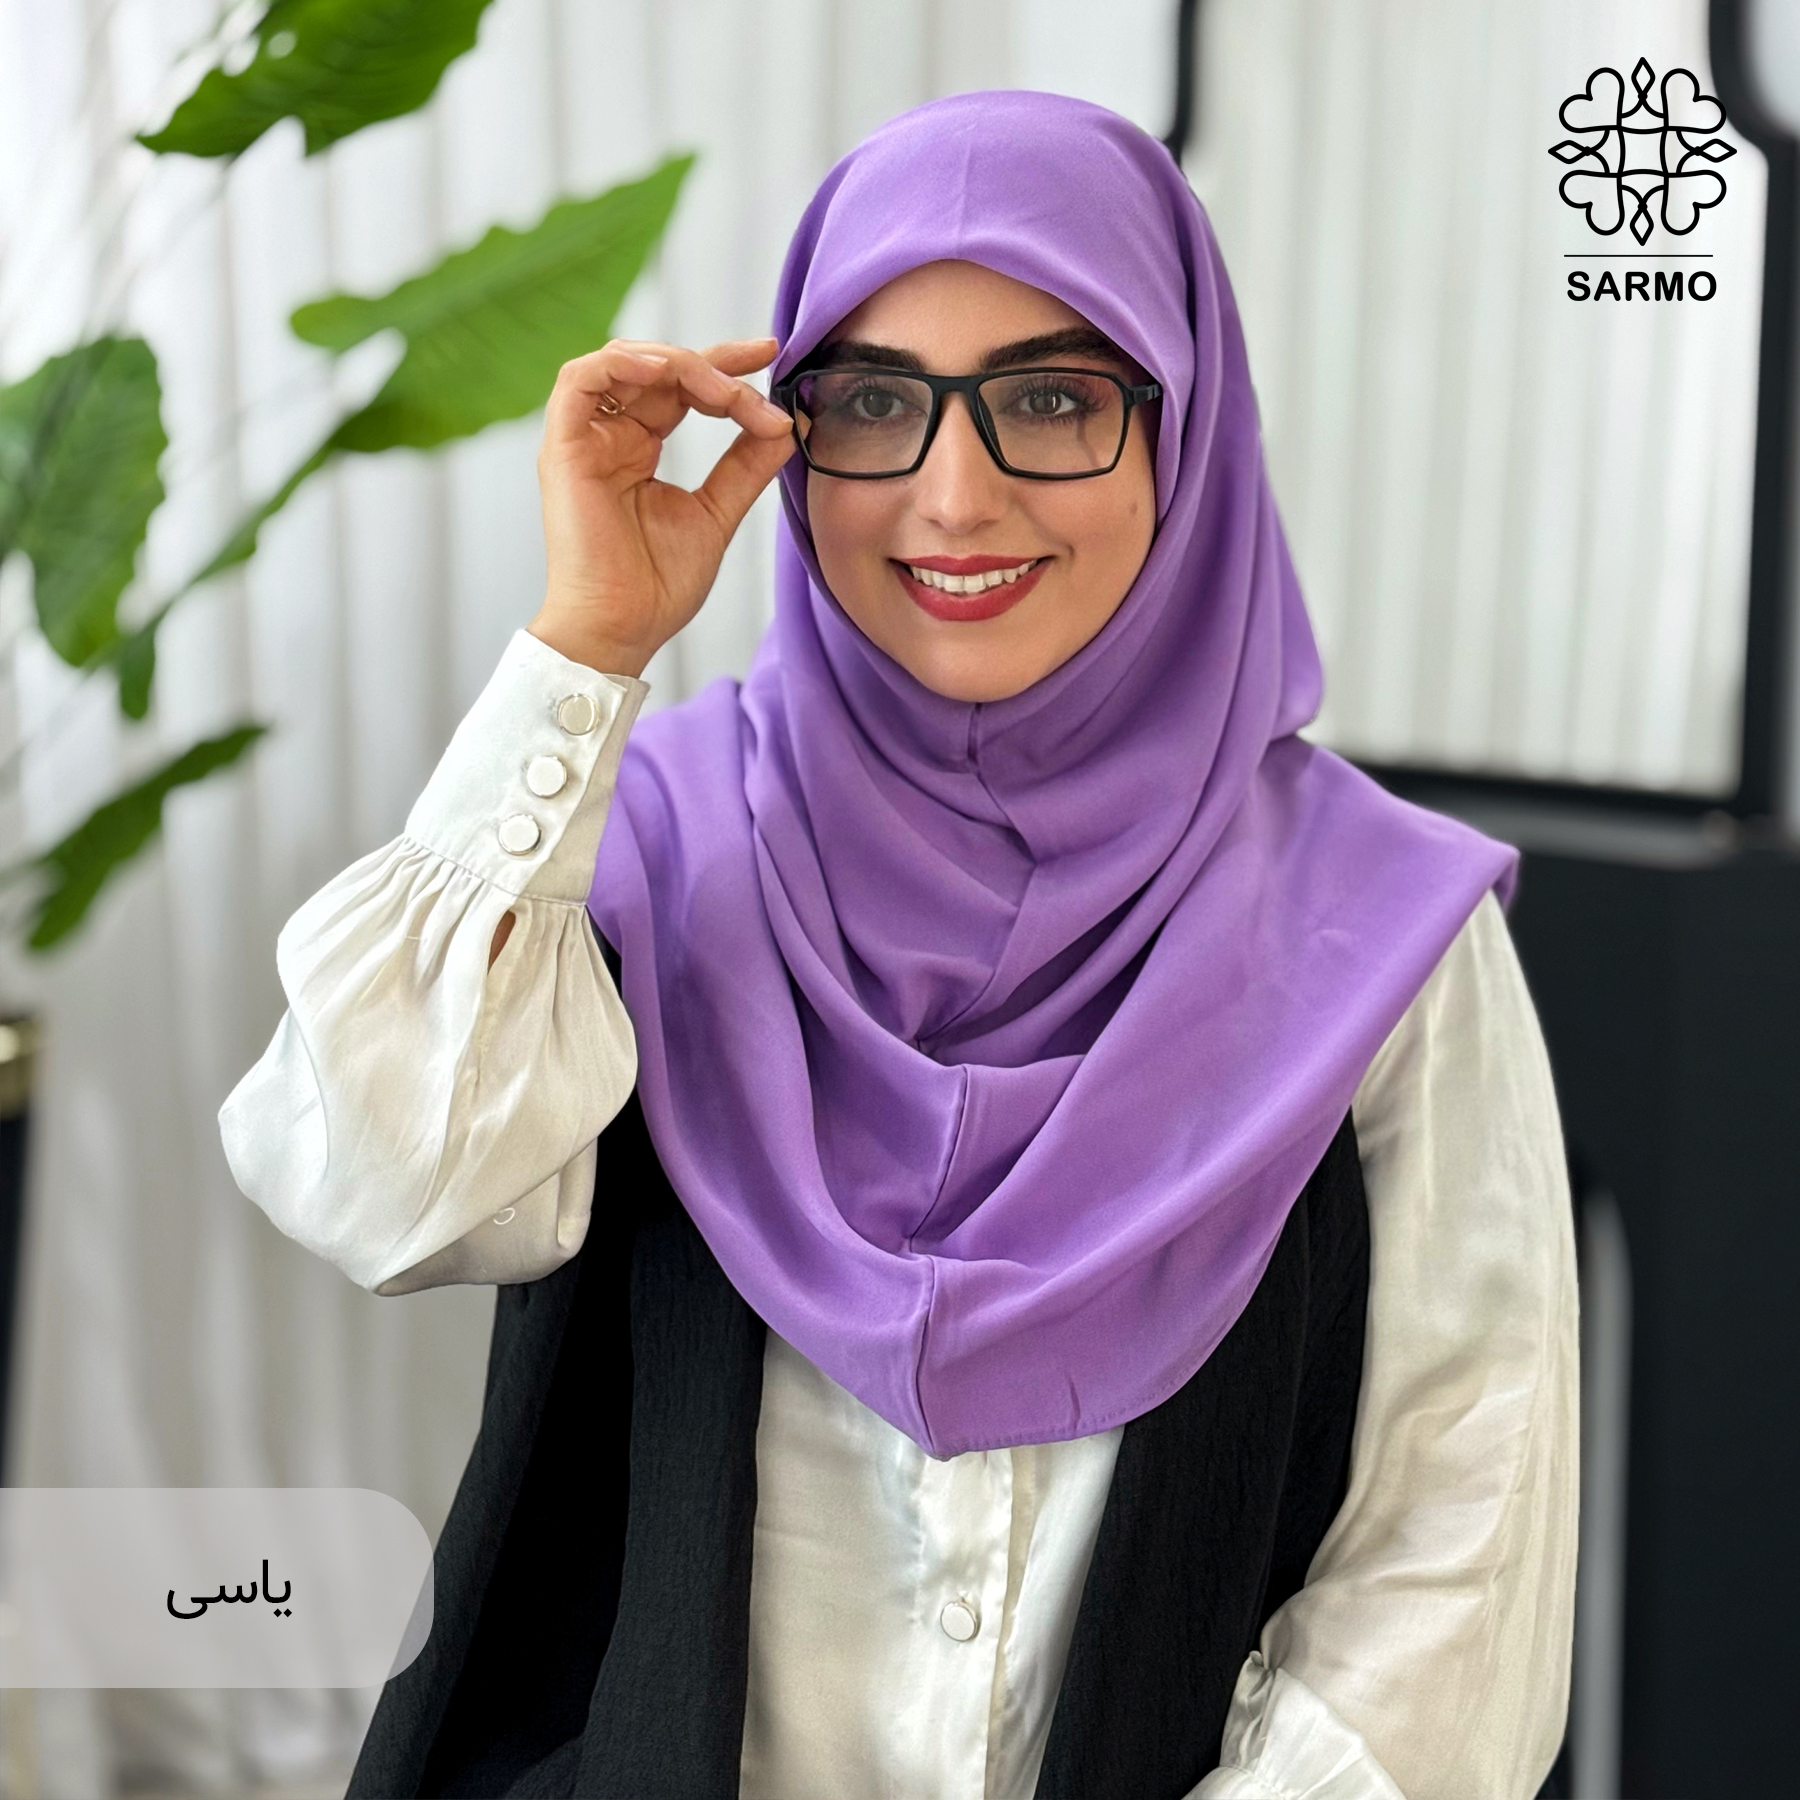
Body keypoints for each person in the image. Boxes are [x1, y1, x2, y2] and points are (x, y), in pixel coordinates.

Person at [221, 92, 1577, 1800]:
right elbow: (379, 1194)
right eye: (870, 403)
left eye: (1053, 400)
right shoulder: (650, 849)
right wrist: (585, 644)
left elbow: (1461, 1563)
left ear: (1187, 433)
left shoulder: (1380, 934)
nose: (952, 496)